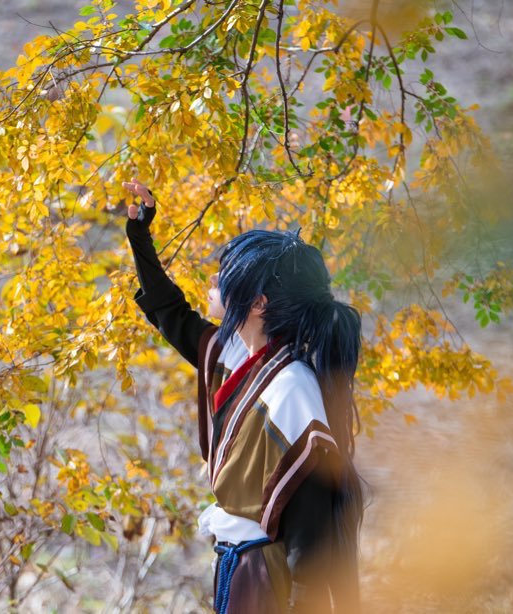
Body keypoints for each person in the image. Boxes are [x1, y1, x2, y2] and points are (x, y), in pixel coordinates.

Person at [122, 179, 364, 613]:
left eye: (226, 275)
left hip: (272, 580)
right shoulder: (237, 355)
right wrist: (140, 236)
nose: (213, 279)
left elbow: (311, 509)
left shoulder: (292, 388)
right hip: (240, 565)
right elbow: (170, 313)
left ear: (258, 304)